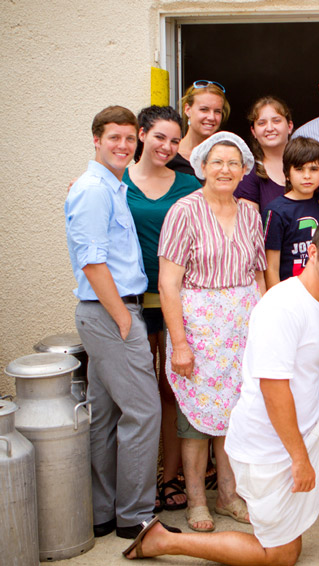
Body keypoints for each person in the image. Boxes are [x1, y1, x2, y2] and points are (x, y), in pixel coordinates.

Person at [121, 219, 319, 565]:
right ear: (312, 253)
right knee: (280, 556)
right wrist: (301, 459)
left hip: (312, 422)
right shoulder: (282, 305)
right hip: (269, 446)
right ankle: (163, 540)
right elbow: (273, 390)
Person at [65, 106, 178, 540]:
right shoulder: (95, 190)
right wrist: (122, 319)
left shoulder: (109, 186)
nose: (123, 146)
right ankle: (135, 516)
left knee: (107, 414)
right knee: (144, 411)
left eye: (130, 138)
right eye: (114, 137)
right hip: (111, 312)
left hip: (108, 312)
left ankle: (104, 513)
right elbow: (93, 263)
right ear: (96, 140)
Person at [158, 132, 267, 532]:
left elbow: (258, 276)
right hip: (199, 329)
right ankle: (197, 501)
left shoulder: (250, 213)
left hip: (240, 331)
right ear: (202, 166)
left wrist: (263, 330)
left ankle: (228, 495)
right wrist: (180, 344)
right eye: (217, 162)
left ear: (244, 170)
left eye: (234, 163)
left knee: (234, 415)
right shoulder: (183, 211)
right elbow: (168, 283)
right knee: (196, 420)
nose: (225, 169)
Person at [125, 105, 201, 513]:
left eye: (175, 141)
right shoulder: (118, 181)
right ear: (141, 134)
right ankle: (137, 484)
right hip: (133, 302)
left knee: (172, 390)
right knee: (139, 394)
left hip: (176, 300)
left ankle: (170, 478)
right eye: (160, 137)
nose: (167, 147)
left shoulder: (189, 184)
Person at [264, 137, 319, 289]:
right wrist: (278, 299)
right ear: (287, 173)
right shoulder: (276, 211)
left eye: (314, 169)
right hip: (292, 292)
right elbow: (271, 267)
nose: (307, 175)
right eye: (299, 169)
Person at [235, 96, 295, 213]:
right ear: (253, 131)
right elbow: (249, 222)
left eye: (276, 121)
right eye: (261, 123)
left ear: (289, 126)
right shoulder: (248, 173)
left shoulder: (308, 164)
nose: (270, 128)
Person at [169, 80, 229, 178]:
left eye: (217, 111)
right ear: (187, 110)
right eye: (204, 109)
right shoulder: (169, 154)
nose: (211, 117)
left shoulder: (227, 156)